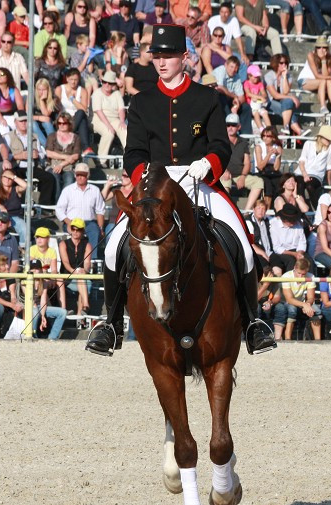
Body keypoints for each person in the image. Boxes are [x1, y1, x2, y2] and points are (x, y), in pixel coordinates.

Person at [89, 25, 276, 356]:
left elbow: (221, 144)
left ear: (184, 57)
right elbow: (133, 152)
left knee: (243, 245)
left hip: (198, 181)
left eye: (168, 56)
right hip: (154, 187)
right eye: (157, 56)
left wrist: (208, 164)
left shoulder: (206, 98)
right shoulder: (142, 102)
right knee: (112, 247)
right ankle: (111, 324)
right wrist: (143, 172)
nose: (161, 62)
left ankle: (251, 323)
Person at [56, 163, 105, 257]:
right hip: (72, 222)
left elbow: (100, 210)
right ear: (75, 175)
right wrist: (68, 222)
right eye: (78, 174)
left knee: (95, 231)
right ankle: (74, 260)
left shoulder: (95, 190)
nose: (80, 177)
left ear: (88, 176)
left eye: (83, 175)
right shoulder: (68, 190)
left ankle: (91, 261)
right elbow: (59, 210)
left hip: (89, 223)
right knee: (76, 233)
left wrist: (101, 228)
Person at [281, 257, 322, 340]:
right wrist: (304, 304)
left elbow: (311, 297)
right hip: (285, 303)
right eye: (299, 273)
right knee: (292, 310)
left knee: (316, 310)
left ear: (307, 271)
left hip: (300, 303)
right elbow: (289, 299)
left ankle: (318, 340)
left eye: (303, 274)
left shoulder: (310, 276)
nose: (300, 276)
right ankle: (288, 339)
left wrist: (308, 304)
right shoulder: (286, 276)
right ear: (294, 268)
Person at [59, 217, 93, 315]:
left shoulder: (87, 245)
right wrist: (74, 271)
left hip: (80, 276)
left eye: (78, 229)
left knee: (81, 278)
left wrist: (84, 270)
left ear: (83, 231)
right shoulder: (63, 244)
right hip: (67, 276)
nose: (75, 231)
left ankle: (80, 314)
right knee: (82, 279)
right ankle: (85, 306)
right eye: (73, 228)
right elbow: (65, 263)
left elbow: (87, 264)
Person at [296, 125, 331, 207]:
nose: (329, 140)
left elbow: (329, 167)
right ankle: (303, 209)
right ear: (320, 137)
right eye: (327, 138)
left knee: (309, 186)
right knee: (299, 184)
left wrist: (329, 185)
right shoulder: (308, 144)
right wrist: (305, 175)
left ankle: (317, 209)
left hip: (317, 175)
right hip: (301, 172)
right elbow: (301, 161)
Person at [264, 53, 302, 136]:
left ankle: (286, 127)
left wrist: (284, 77)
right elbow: (275, 95)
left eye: (286, 63)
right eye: (281, 63)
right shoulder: (268, 76)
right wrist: (292, 98)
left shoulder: (288, 76)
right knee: (289, 108)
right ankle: (299, 130)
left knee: (287, 102)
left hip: (282, 102)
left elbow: (285, 92)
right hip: (269, 102)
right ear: (276, 63)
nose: (284, 65)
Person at [91, 71, 127, 158]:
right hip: (99, 120)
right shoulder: (97, 93)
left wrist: (122, 121)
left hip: (115, 119)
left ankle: (130, 157)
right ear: (102, 82)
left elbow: (121, 109)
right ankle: (101, 160)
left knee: (125, 131)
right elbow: (98, 111)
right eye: (105, 82)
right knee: (108, 133)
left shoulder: (117, 94)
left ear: (114, 84)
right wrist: (109, 126)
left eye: (110, 83)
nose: (107, 84)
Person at [302, 36, 331, 116]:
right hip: (306, 80)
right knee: (325, 80)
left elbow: (325, 75)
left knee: (327, 81)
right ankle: (323, 107)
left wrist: (323, 60)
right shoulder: (311, 55)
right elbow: (317, 75)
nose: (321, 49)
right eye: (319, 47)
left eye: (324, 47)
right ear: (316, 48)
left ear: (327, 49)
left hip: (321, 83)